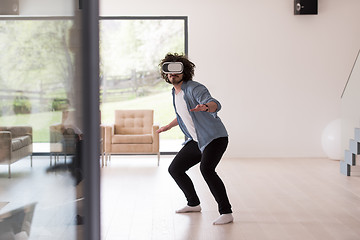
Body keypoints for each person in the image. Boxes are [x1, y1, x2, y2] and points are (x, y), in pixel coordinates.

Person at [157, 53, 233, 225]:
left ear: (185, 71)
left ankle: (226, 212)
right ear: (165, 74)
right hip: (196, 141)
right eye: (169, 71)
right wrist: (167, 127)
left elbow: (213, 103)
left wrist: (205, 107)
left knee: (207, 170)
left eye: (177, 71)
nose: (172, 75)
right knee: (175, 169)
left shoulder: (194, 88)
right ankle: (193, 203)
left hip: (214, 138)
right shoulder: (175, 92)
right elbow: (183, 115)